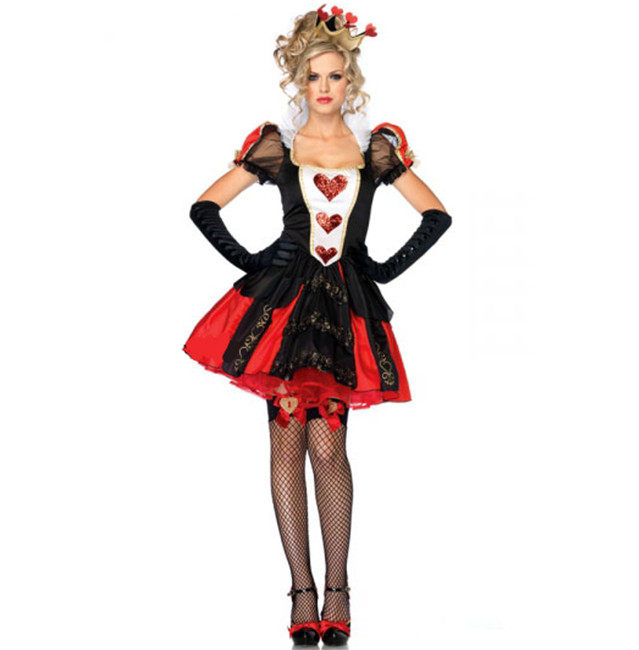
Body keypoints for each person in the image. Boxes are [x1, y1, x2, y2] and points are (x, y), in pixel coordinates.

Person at [183, 5, 452, 645]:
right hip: (283, 308)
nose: (324, 87)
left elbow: (437, 216)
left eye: (334, 75)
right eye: (313, 76)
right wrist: (256, 262)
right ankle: (302, 593)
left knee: (329, 444)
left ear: (350, 79)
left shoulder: (372, 151)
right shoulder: (279, 147)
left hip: (341, 310)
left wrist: (380, 269)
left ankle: (339, 590)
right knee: (286, 443)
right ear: (298, 81)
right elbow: (205, 207)